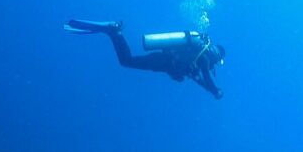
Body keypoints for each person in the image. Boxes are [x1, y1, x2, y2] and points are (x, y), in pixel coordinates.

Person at [64, 19, 225, 99]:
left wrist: (210, 89)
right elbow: (207, 77)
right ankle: (115, 32)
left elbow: (199, 79)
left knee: (127, 61)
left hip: (163, 61)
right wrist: (216, 90)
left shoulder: (199, 55)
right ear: (217, 57)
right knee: (127, 61)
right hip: (163, 61)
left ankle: (114, 32)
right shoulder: (204, 57)